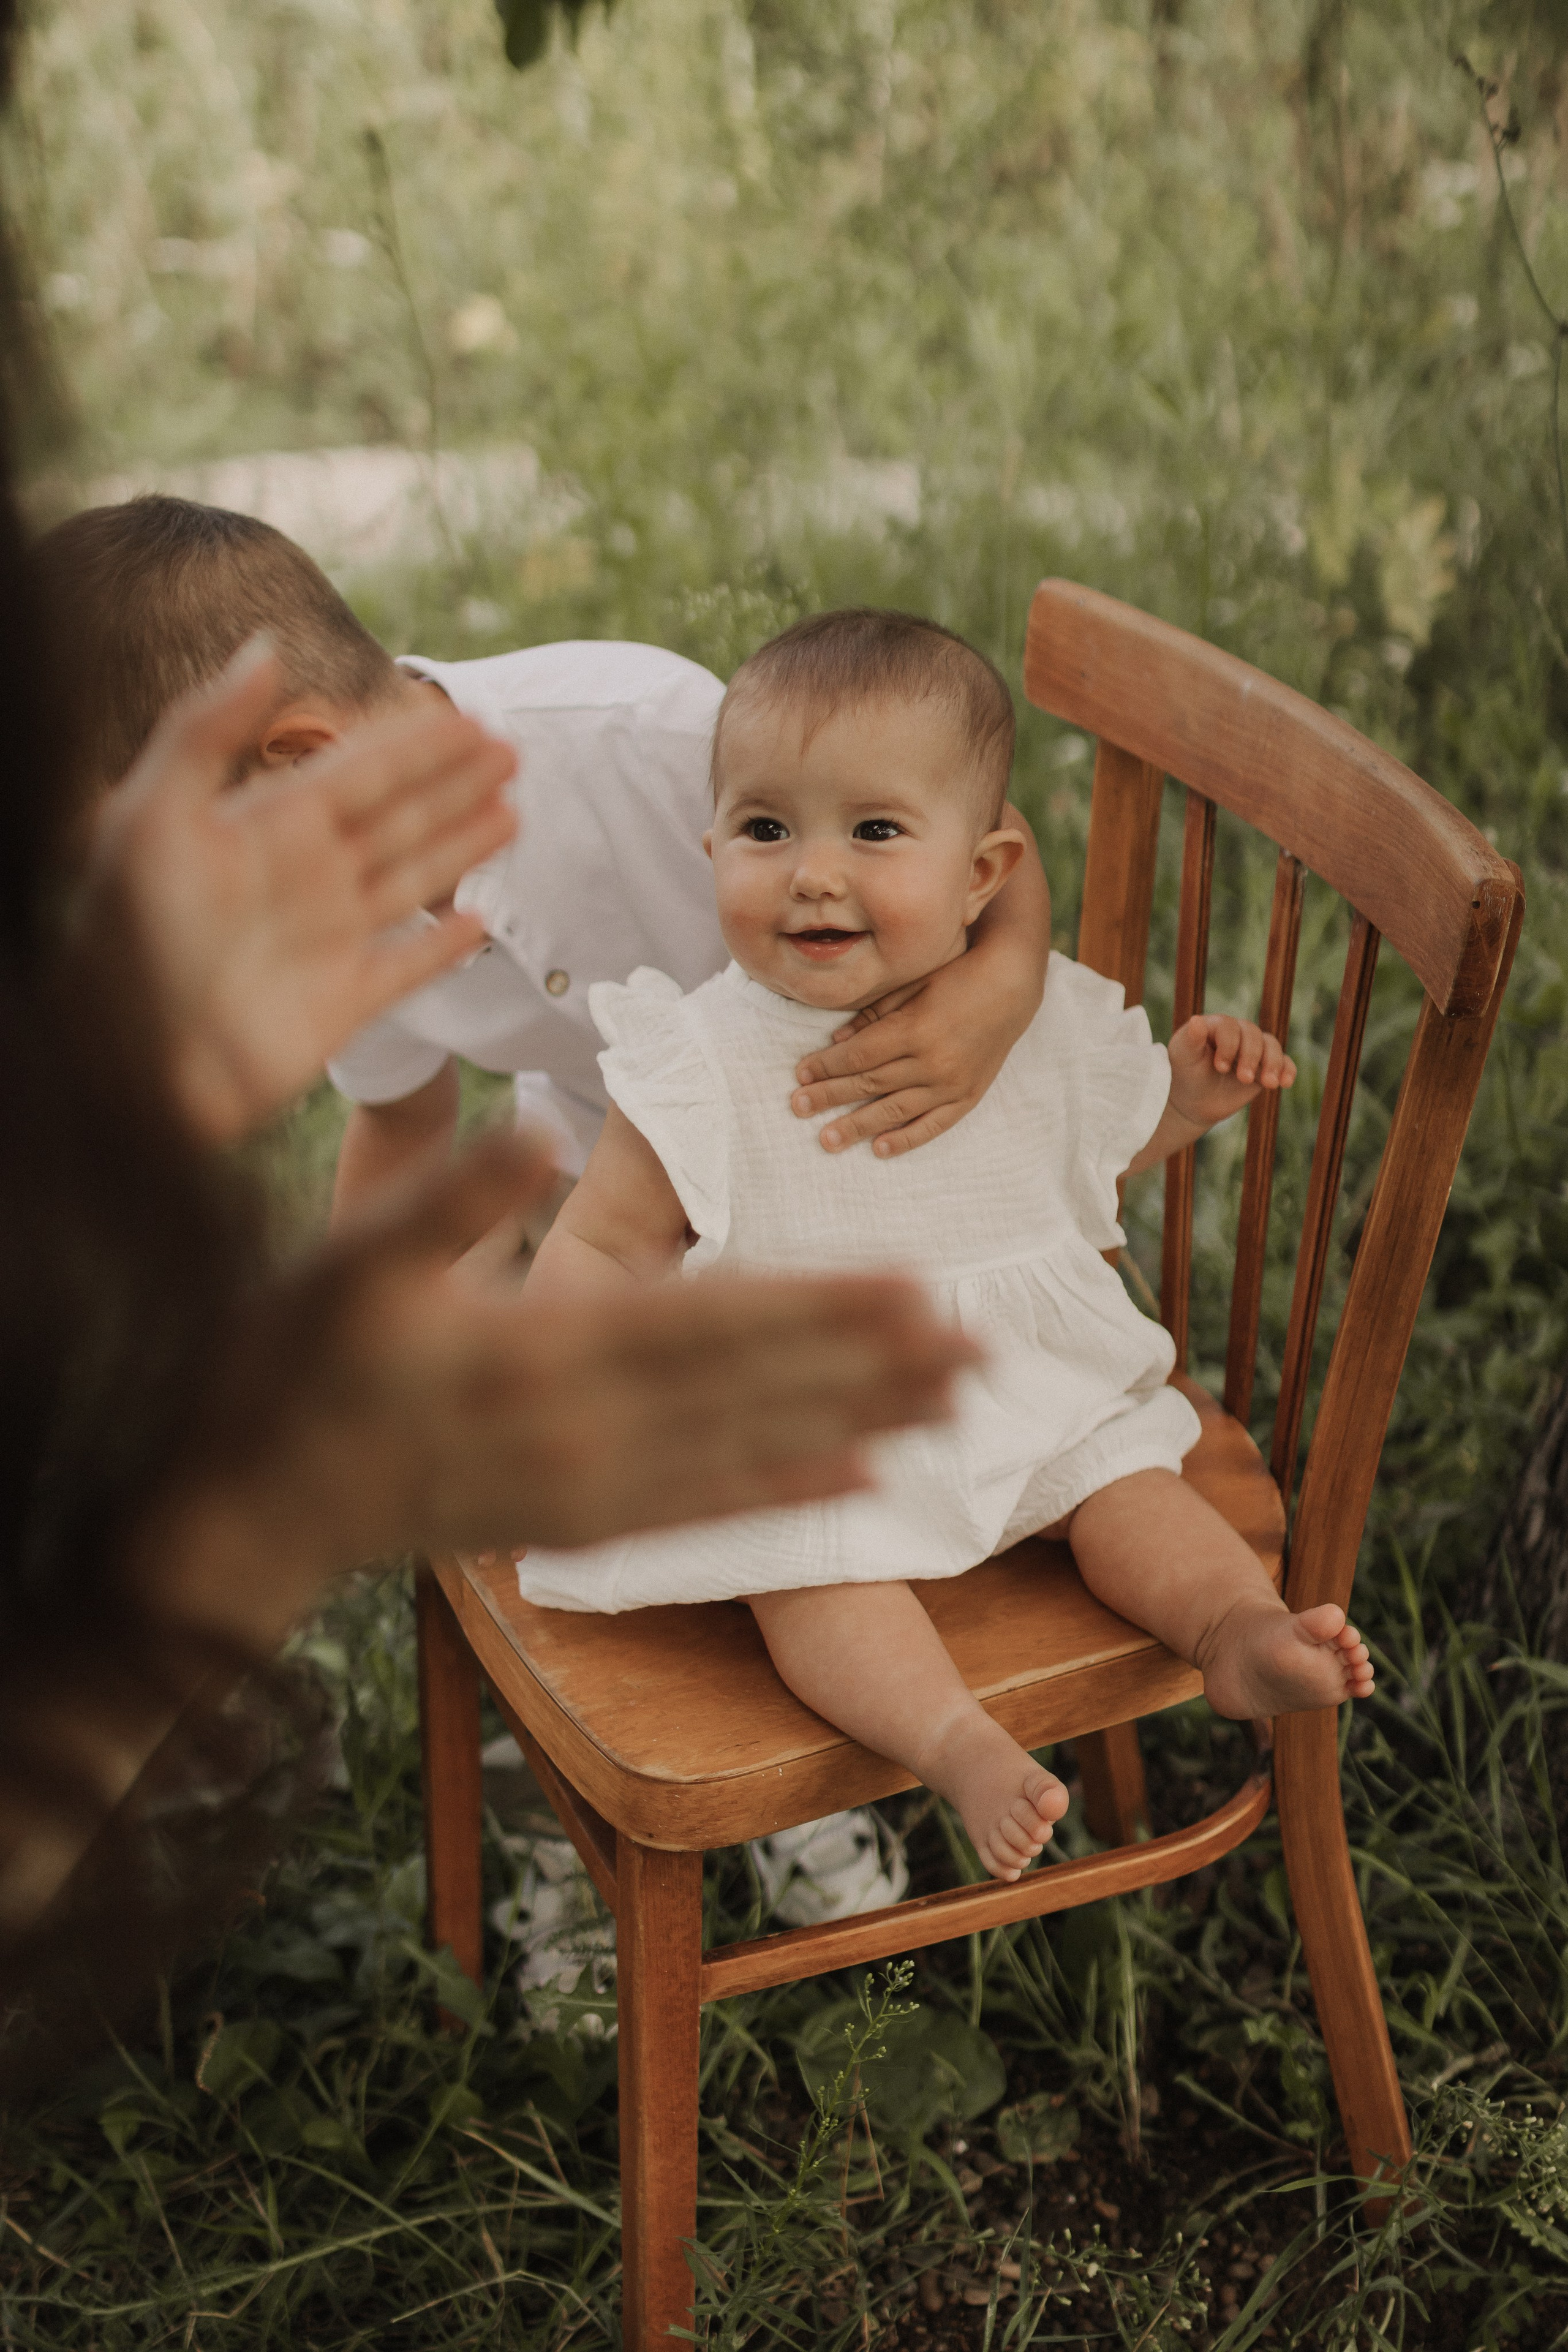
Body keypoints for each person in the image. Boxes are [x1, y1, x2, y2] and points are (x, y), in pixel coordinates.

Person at [519, 609, 1376, 1883]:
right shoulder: (700, 1057)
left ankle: (1235, 1631)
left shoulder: (1017, 1015)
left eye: (873, 831)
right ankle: (955, 1741)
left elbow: (1070, 1154)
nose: (812, 872)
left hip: (1022, 1386)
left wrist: (1182, 1101)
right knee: (804, 1569)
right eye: (765, 829)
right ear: (709, 849)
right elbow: (601, 1242)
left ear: (983, 874)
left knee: (1129, 1489)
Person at [33, 495, 1056, 1221]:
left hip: (880, 1150)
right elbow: (399, 1122)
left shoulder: (646, 736)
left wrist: (1003, 982)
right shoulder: (331, 915)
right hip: (630, 1175)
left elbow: (966, 822)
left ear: (300, 764)